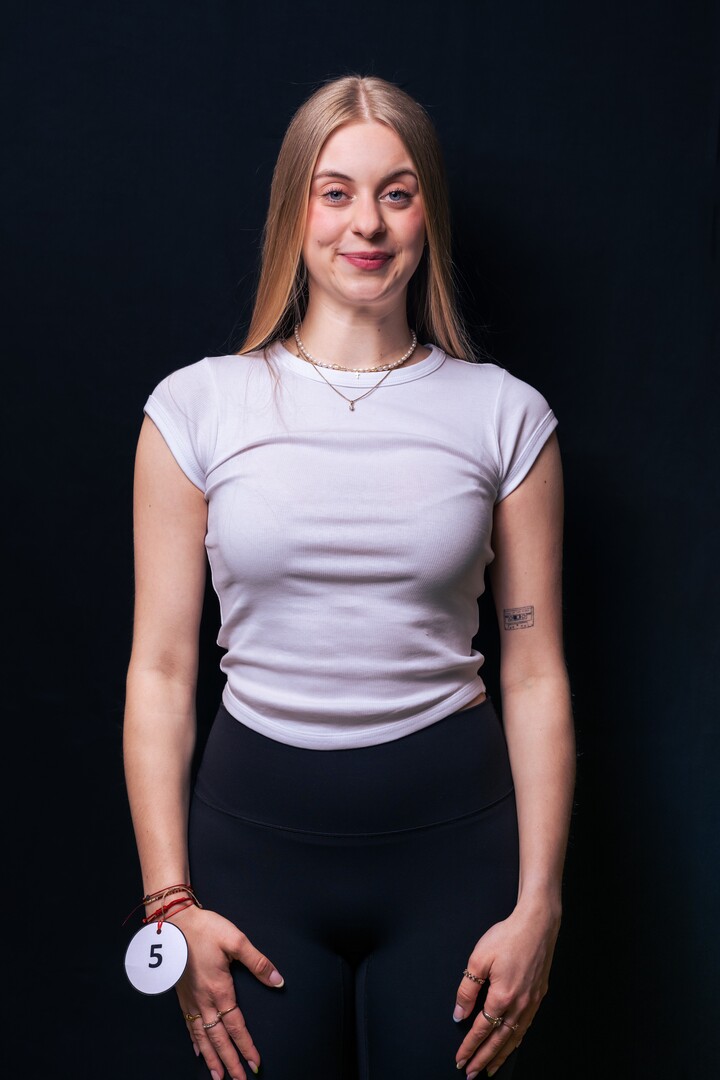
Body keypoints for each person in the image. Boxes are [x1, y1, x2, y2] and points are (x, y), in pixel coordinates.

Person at [123, 74, 576, 1080]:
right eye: (335, 192)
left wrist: (540, 902)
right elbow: (160, 669)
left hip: (456, 853)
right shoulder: (196, 409)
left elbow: (536, 668)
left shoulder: (506, 416)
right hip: (253, 856)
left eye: (396, 193)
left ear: (426, 216)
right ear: (297, 211)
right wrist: (170, 902)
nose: (366, 224)